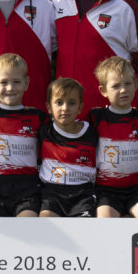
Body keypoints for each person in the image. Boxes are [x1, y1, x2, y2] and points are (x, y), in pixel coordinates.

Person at [88, 57, 138, 219]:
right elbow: (78, 142)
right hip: (106, 192)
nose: (123, 90)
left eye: (127, 84)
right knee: (103, 223)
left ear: (136, 84)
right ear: (103, 90)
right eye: (116, 86)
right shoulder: (95, 117)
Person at [0, 53, 48, 217]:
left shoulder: (38, 117)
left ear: (26, 83)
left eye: (16, 82)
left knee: (29, 222)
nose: (10, 88)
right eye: (4, 82)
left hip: (28, 190)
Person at [38, 78, 99, 217]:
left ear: (80, 108)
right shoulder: (43, 131)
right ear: (49, 107)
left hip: (83, 194)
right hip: (52, 193)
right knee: (45, 223)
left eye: (71, 103)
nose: (65, 108)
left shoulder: (92, 132)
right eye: (59, 102)